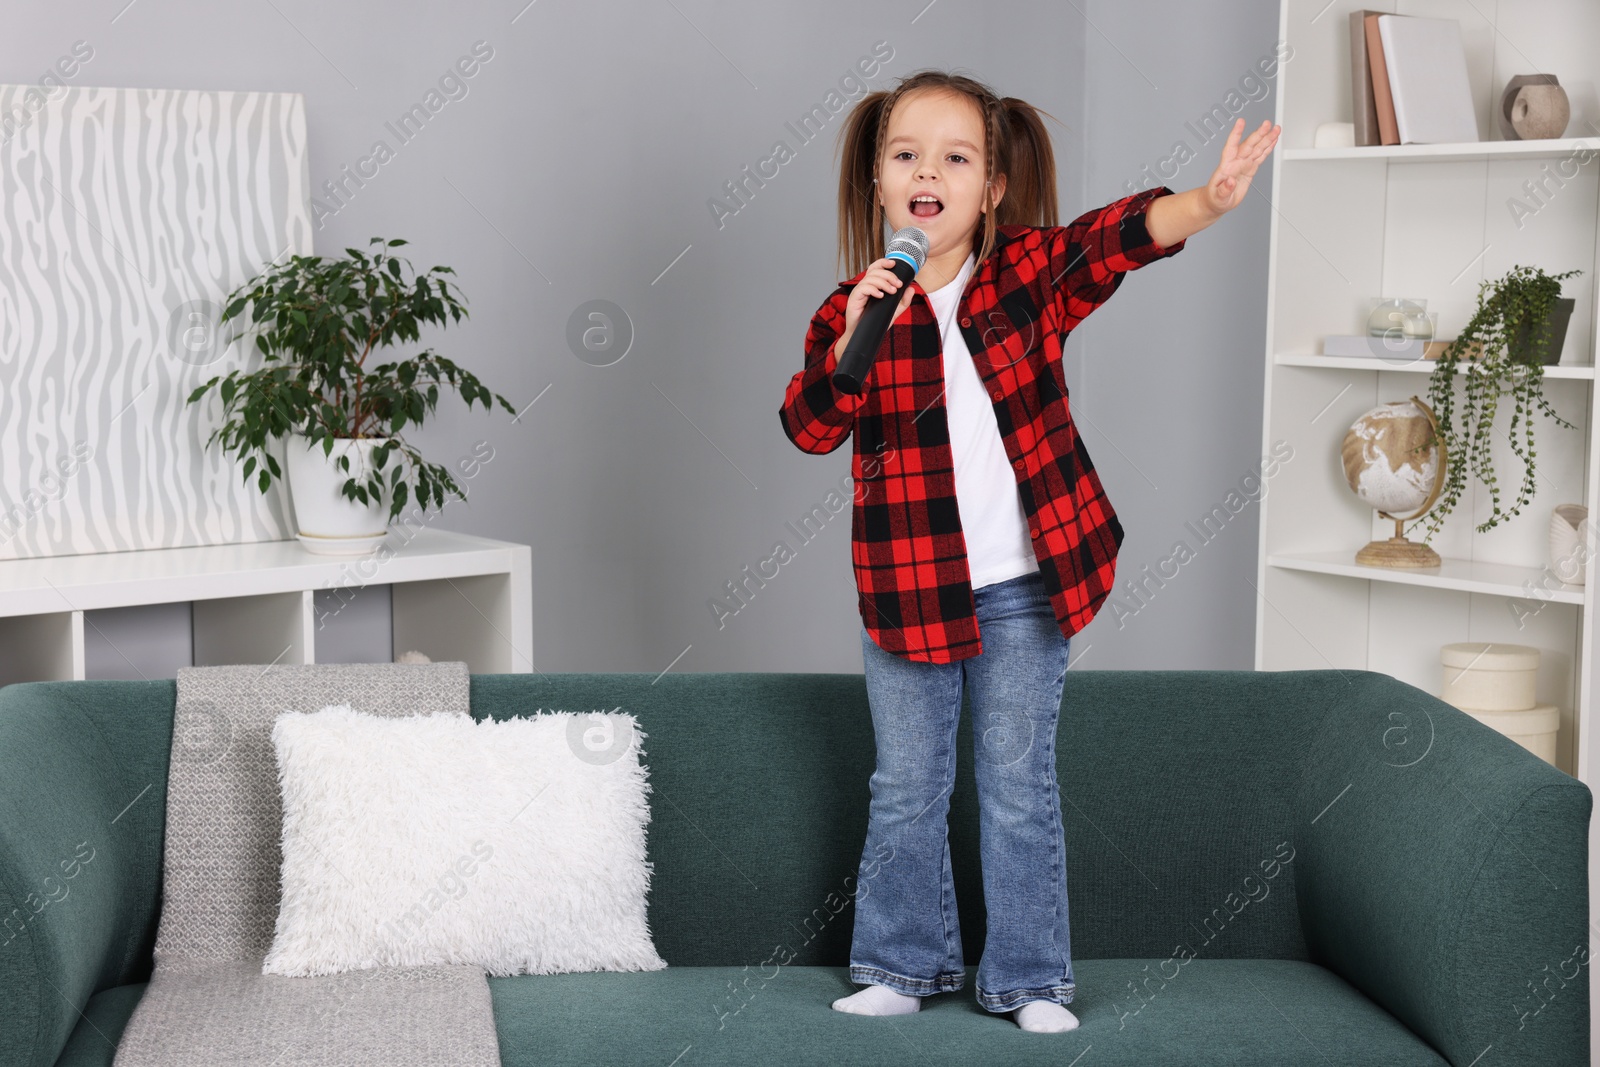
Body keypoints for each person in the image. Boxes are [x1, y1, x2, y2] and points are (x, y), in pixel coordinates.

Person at [778, 69, 1278, 1033]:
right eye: (906, 154)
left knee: (1016, 784)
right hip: (909, 593)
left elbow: (1117, 238)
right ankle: (899, 963)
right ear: (879, 184)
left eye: (956, 157)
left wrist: (1207, 203)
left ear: (993, 188)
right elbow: (808, 427)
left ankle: (1031, 980)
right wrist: (849, 344)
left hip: (1024, 587)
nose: (930, 171)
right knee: (908, 786)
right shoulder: (854, 308)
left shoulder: (1026, 276)